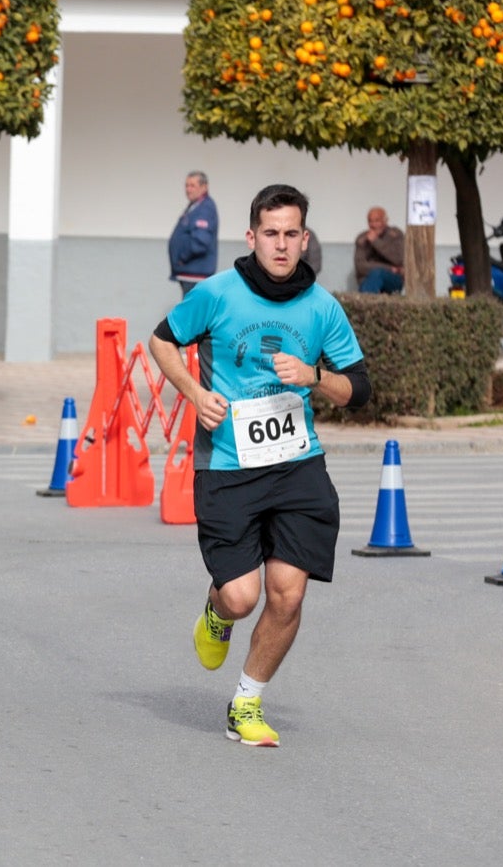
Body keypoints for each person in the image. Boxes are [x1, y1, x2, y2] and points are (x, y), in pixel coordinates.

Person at [149, 184, 371, 748]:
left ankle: (246, 700)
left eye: (290, 234)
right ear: (252, 237)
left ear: (304, 238)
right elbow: (162, 342)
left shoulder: (322, 306)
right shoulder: (218, 293)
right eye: (269, 234)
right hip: (228, 462)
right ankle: (217, 613)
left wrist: (315, 376)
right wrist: (195, 394)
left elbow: (360, 390)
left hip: (298, 464)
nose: (280, 244)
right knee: (243, 596)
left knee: (288, 594)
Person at [168, 170, 219, 297]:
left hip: (195, 275)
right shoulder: (195, 205)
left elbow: (200, 241)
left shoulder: (205, 208)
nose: (188, 189)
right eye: (186, 185)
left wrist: (181, 258)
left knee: (194, 315)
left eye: (192, 185)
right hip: (190, 273)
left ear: (204, 187)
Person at [355, 206, 405, 294]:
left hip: (393, 280)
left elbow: (398, 259)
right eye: (370, 221)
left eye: (377, 221)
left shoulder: (395, 235)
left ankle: (366, 301)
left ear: (385, 221)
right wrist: (389, 268)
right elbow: (360, 266)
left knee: (378, 274)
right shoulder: (362, 239)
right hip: (367, 280)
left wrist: (376, 242)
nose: (373, 225)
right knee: (375, 274)